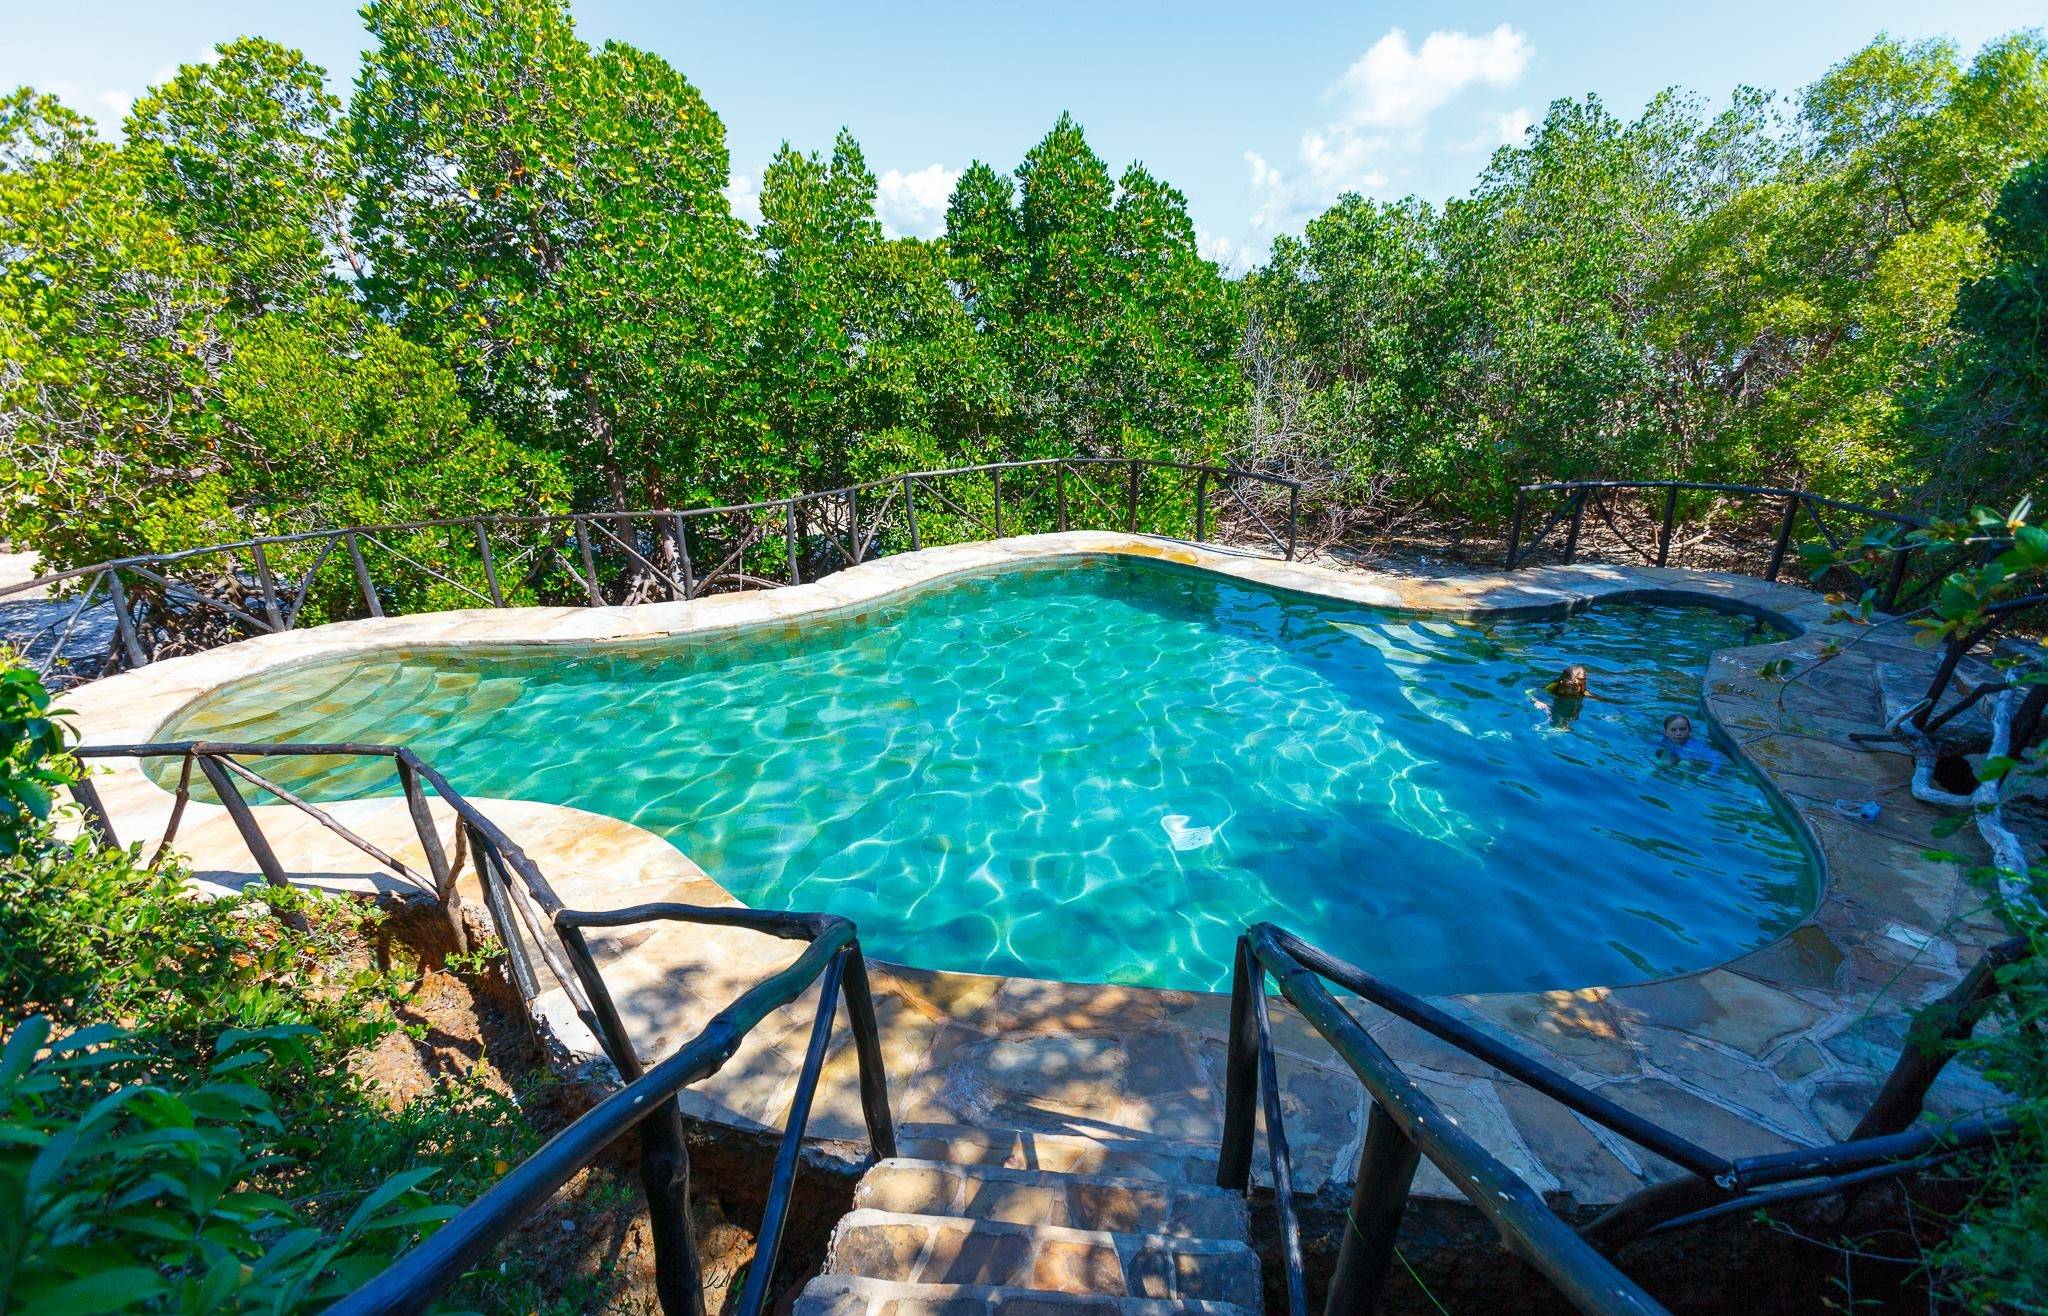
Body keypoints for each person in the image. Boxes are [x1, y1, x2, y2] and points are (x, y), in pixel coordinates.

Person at [1533, 664, 1591, 729]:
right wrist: (1537, 700)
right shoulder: (1554, 686)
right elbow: (1530, 692)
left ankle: (1564, 727)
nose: (1570, 691)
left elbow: (1598, 698)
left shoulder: (1584, 692)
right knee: (1551, 711)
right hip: (1557, 700)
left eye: (1574, 688)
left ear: (1582, 686)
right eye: (1567, 687)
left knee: (1574, 715)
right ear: (1562, 683)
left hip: (1571, 704)